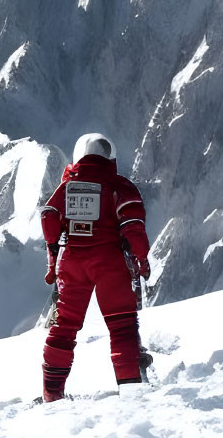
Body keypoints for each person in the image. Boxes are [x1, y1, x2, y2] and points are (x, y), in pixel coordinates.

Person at [38, 132, 151, 400]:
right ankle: (131, 388)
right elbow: (133, 227)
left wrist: (53, 258)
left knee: (62, 329)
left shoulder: (67, 187)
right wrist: (142, 260)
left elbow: (49, 217)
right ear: (109, 157)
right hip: (110, 263)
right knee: (122, 327)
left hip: (73, 263)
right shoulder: (118, 185)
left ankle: (52, 394)